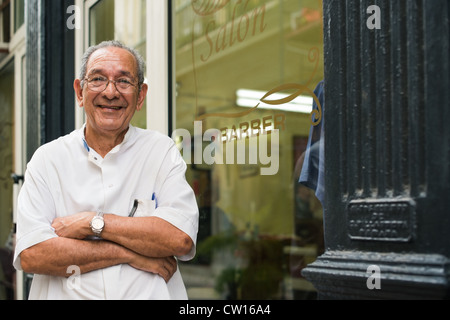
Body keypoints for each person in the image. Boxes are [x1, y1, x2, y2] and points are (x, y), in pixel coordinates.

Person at [13, 40, 199, 300]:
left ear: (140, 95)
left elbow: (179, 238)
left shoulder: (160, 151)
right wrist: (131, 252)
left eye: (124, 81)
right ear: (80, 91)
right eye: (98, 79)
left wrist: (92, 222)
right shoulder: (48, 160)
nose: (111, 92)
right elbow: (34, 254)